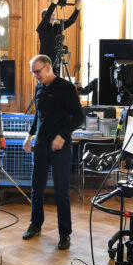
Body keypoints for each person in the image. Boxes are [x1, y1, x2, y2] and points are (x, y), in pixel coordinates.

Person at [22, 55, 85, 250]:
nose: (35, 76)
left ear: (48, 67)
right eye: (33, 73)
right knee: (36, 188)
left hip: (61, 148)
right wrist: (30, 135)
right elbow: (38, 115)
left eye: (38, 72)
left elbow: (79, 117)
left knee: (61, 193)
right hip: (41, 146)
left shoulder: (66, 88)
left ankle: (64, 234)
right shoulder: (39, 87)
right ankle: (35, 224)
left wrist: (62, 135)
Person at [37, 0, 81, 75]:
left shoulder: (57, 27)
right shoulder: (42, 27)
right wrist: (55, 1)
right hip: (45, 62)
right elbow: (48, 14)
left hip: (56, 61)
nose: (53, 15)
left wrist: (77, 7)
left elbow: (71, 21)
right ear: (44, 17)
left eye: (54, 14)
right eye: (50, 14)